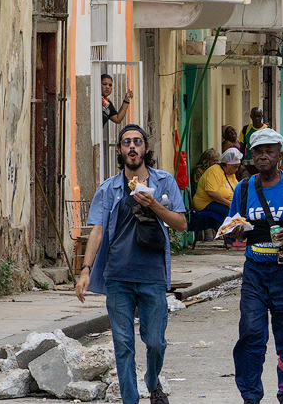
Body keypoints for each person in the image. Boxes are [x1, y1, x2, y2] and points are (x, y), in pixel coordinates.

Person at [75, 124, 186, 404]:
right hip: (118, 277)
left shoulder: (164, 182)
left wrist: (154, 206)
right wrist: (85, 271)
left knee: (155, 342)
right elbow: (97, 231)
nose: (132, 147)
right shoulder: (108, 188)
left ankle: (152, 380)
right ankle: (130, 400)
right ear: (120, 150)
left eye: (137, 142)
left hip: (153, 275)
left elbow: (182, 224)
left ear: (146, 149)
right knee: (123, 345)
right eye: (126, 143)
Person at [227, 128, 283, 404]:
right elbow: (233, 227)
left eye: (269, 151)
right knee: (251, 334)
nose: (263, 156)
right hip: (254, 271)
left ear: (280, 155)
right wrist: (237, 232)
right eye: (258, 152)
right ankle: (250, 396)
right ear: (251, 157)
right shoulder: (243, 189)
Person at [195, 148, 241, 220]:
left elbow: (237, 189)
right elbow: (212, 193)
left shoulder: (230, 174)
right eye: (235, 167)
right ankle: (227, 230)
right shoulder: (213, 171)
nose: (237, 170)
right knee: (229, 212)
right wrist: (229, 204)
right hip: (206, 203)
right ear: (228, 165)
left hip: (224, 202)